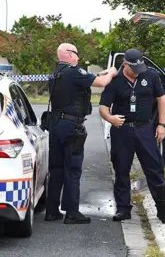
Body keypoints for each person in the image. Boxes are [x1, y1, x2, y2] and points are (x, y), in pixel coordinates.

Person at [45, 43, 118, 224]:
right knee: (73, 169)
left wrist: (101, 72)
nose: (78, 58)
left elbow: (89, 78)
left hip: (55, 125)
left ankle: (52, 211)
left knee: (56, 169)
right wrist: (111, 73)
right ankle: (72, 213)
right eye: (76, 54)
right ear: (69, 54)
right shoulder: (73, 72)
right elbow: (100, 83)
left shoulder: (56, 73)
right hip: (71, 126)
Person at [99, 48, 165, 221]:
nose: (138, 72)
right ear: (125, 64)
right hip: (122, 130)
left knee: (154, 168)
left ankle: (163, 207)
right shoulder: (114, 81)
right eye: (134, 69)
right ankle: (123, 209)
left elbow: (162, 99)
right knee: (121, 169)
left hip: (145, 128)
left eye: (140, 68)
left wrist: (161, 124)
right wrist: (110, 118)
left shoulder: (150, 76)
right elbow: (103, 107)